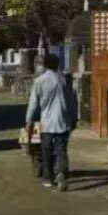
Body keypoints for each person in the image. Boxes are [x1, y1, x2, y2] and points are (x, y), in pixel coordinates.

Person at [25, 53, 77, 191]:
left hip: (47, 122)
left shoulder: (39, 81)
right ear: (57, 65)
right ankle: (61, 172)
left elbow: (33, 103)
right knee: (61, 150)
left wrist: (29, 120)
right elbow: (72, 101)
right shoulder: (64, 80)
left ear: (45, 65)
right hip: (63, 121)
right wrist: (73, 119)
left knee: (46, 150)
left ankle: (48, 178)